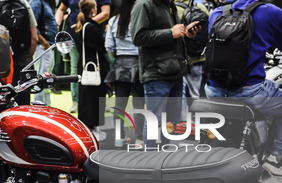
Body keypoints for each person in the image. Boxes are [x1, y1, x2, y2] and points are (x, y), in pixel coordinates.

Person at [205, 0, 282, 176]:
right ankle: (275, 157)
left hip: (213, 89)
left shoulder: (217, 13)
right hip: (248, 90)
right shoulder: (269, 12)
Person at [130, 0, 200, 149]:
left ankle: (165, 161)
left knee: (171, 123)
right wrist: (170, 33)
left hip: (175, 71)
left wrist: (184, 33)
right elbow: (138, 37)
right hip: (156, 74)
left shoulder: (169, 5)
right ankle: (150, 163)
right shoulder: (144, 4)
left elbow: (170, 35)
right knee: (154, 122)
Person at [55, 0, 111, 113]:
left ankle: (100, 102)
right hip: (75, 36)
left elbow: (105, 13)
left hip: (93, 34)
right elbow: (61, 9)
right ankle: (76, 101)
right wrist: (57, 24)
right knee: (75, 68)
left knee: (99, 67)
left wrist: (85, 24)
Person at [0, 0, 38, 106]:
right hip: (23, 62)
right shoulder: (24, 3)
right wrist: (27, 58)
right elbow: (34, 37)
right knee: (23, 104)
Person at [105, 0, 144, 148]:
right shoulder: (140, 19)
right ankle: (139, 138)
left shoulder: (114, 21)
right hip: (139, 65)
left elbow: (109, 46)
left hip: (120, 66)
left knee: (119, 105)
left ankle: (119, 137)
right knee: (139, 104)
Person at [76, 0, 108, 135]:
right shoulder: (91, 28)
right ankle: (92, 126)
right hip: (95, 66)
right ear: (93, 10)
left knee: (86, 97)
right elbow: (102, 47)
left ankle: (87, 126)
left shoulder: (79, 27)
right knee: (95, 97)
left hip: (85, 65)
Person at [30, 0, 58, 105]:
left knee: (47, 78)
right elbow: (32, 25)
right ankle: (38, 106)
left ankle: (46, 106)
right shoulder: (37, 2)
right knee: (41, 78)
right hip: (42, 46)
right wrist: (43, 41)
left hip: (47, 45)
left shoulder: (45, 3)